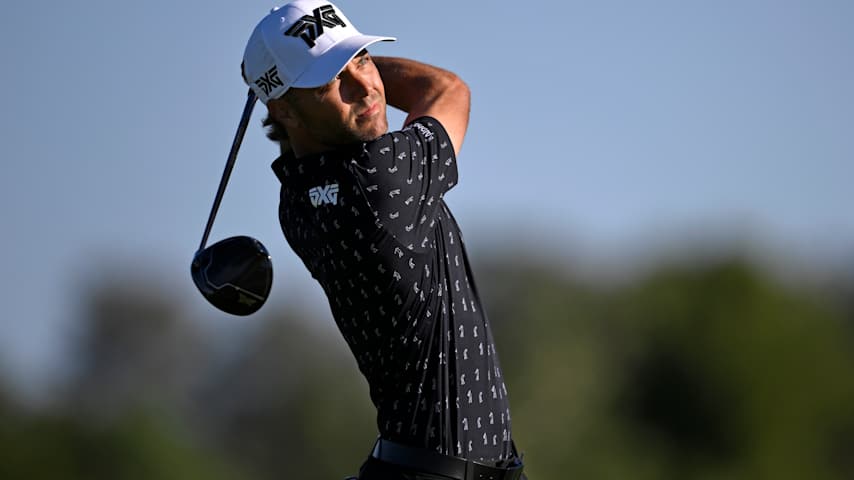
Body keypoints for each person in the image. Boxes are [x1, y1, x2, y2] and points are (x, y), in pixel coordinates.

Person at [241, 2, 526, 479]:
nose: (365, 87)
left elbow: (301, 133)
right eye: (333, 80)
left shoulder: (297, 198)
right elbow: (445, 89)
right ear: (284, 109)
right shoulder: (380, 178)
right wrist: (346, 63)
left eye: (363, 60)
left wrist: (299, 75)